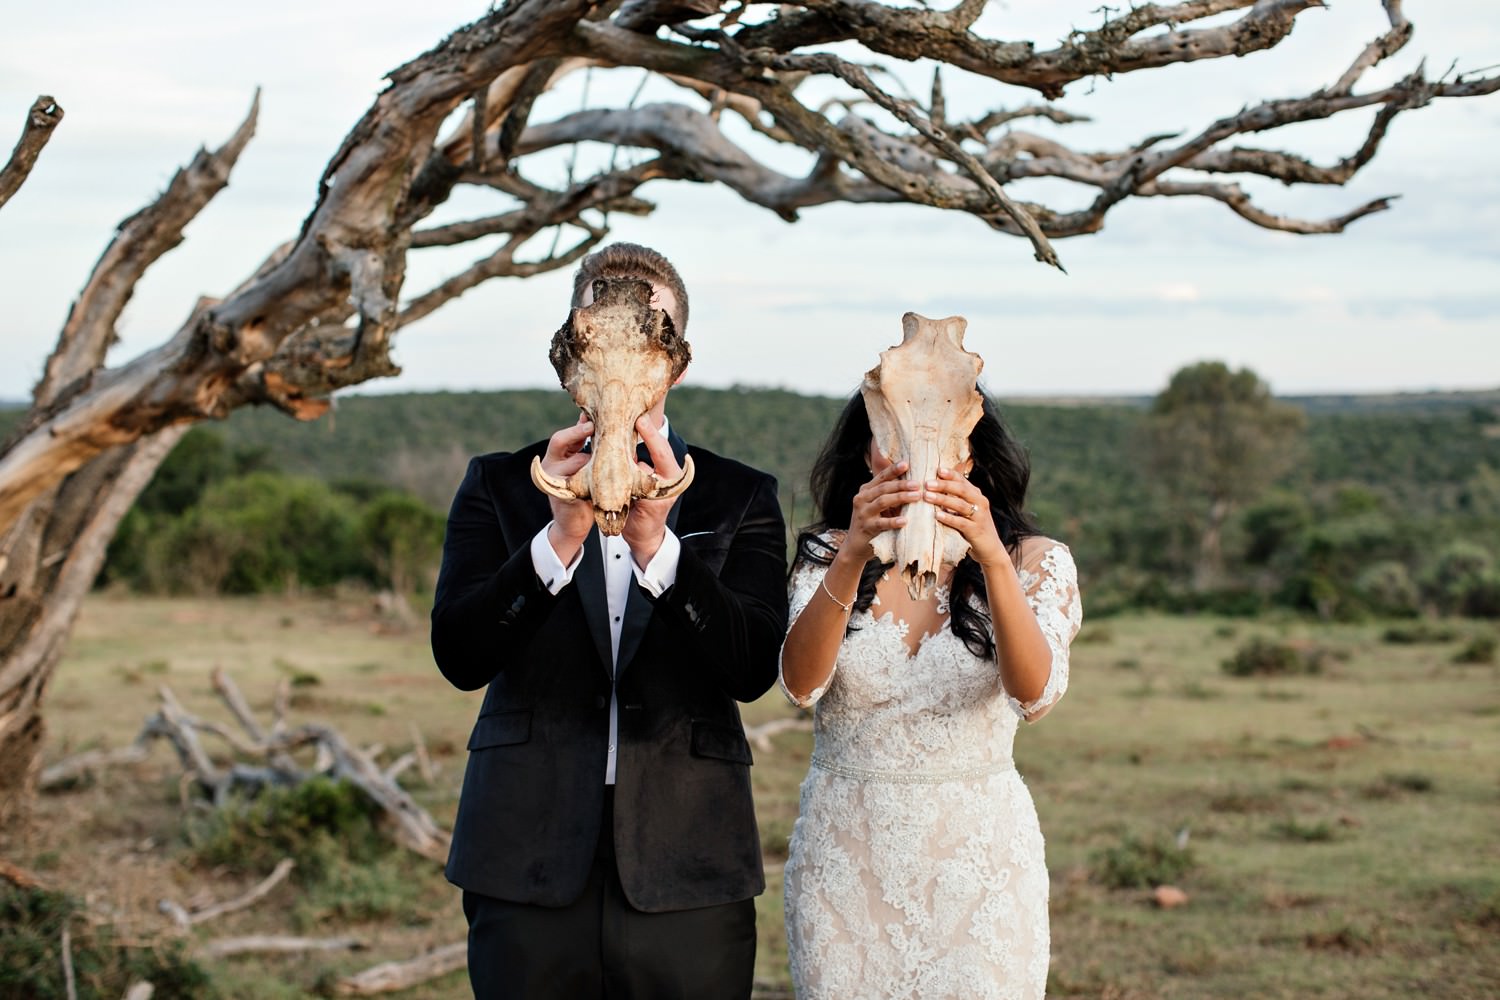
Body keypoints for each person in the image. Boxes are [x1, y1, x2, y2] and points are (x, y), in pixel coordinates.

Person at [431, 243, 789, 1000]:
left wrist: (660, 544)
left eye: (649, 337)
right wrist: (557, 536)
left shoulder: (739, 494)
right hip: (522, 859)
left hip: (689, 867)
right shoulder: (498, 484)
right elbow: (459, 656)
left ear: (676, 364)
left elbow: (754, 668)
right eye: (601, 334)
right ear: (571, 355)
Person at [779, 391, 1082, 1000]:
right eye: (892, 439)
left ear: (969, 457)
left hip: (980, 871)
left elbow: (1034, 696)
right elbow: (800, 686)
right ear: (867, 456)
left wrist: (992, 557)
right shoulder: (826, 553)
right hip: (846, 867)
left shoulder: (1036, 562)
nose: (916, 459)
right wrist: (852, 555)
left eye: (941, 441)